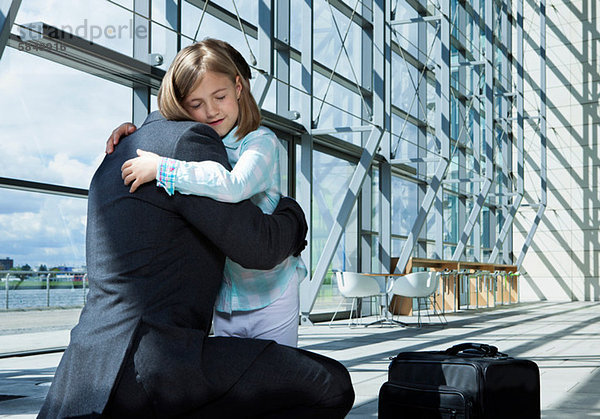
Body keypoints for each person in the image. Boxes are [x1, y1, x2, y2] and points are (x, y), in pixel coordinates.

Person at [38, 110, 354, 418]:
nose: (211, 110)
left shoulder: (121, 146)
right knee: (331, 386)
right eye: (202, 99)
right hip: (156, 362)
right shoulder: (190, 140)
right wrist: (292, 213)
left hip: (87, 366)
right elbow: (259, 247)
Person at [106, 38, 306, 347]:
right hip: (223, 302)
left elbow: (233, 186)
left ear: (239, 88)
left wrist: (163, 169)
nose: (211, 111)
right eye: (196, 105)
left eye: (220, 96)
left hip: (272, 293)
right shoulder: (202, 144)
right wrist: (135, 133)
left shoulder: (261, 142)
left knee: (278, 384)